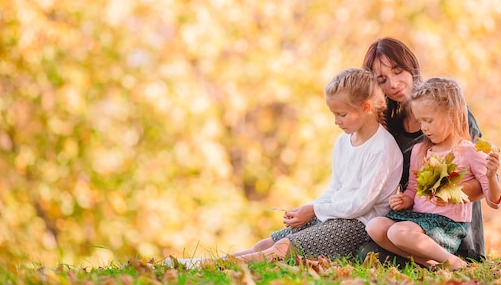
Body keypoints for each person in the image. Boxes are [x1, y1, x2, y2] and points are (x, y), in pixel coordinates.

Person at [166, 68, 404, 268]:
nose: (336, 121)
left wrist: (314, 210)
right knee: (263, 246)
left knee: (281, 250)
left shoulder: (381, 148)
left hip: (359, 225)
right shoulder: (344, 141)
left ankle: (209, 266)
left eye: (342, 114)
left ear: (366, 107)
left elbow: (360, 204)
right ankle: (203, 262)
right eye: (334, 114)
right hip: (335, 215)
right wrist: (308, 209)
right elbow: (336, 188)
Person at [359, 37, 494, 263]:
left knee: (380, 252)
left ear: (411, 67)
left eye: (398, 71)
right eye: (382, 80)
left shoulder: (451, 111)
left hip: (453, 230)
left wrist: (444, 191)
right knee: (367, 252)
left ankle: (453, 261)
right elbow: (406, 187)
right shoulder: (389, 126)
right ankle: (433, 264)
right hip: (414, 225)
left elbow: (485, 184)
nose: (393, 83)